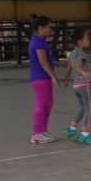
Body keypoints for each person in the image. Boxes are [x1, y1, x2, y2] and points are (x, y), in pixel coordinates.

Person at [63, 27, 91, 145]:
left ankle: (72, 128)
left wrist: (66, 79)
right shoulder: (82, 54)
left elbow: (69, 67)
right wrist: (84, 73)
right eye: (86, 38)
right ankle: (85, 133)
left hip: (76, 86)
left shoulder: (73, 53)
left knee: (82, 108)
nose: (89, 40)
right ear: (79, 41)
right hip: (84, 85)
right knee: (89, 109)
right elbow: (78, 67)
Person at [28, 16, 59, 144]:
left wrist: (60, 64)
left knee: (47, 104)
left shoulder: (41, 41)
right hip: (40, 78)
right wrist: (54, 76)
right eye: (49, 27)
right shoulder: (38, 42)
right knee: (41, 104)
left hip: (42, 77)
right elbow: (43, 62)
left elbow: (48, 60)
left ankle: (42, 130)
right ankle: (37, 133)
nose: (50, 30)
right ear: (41, 28)